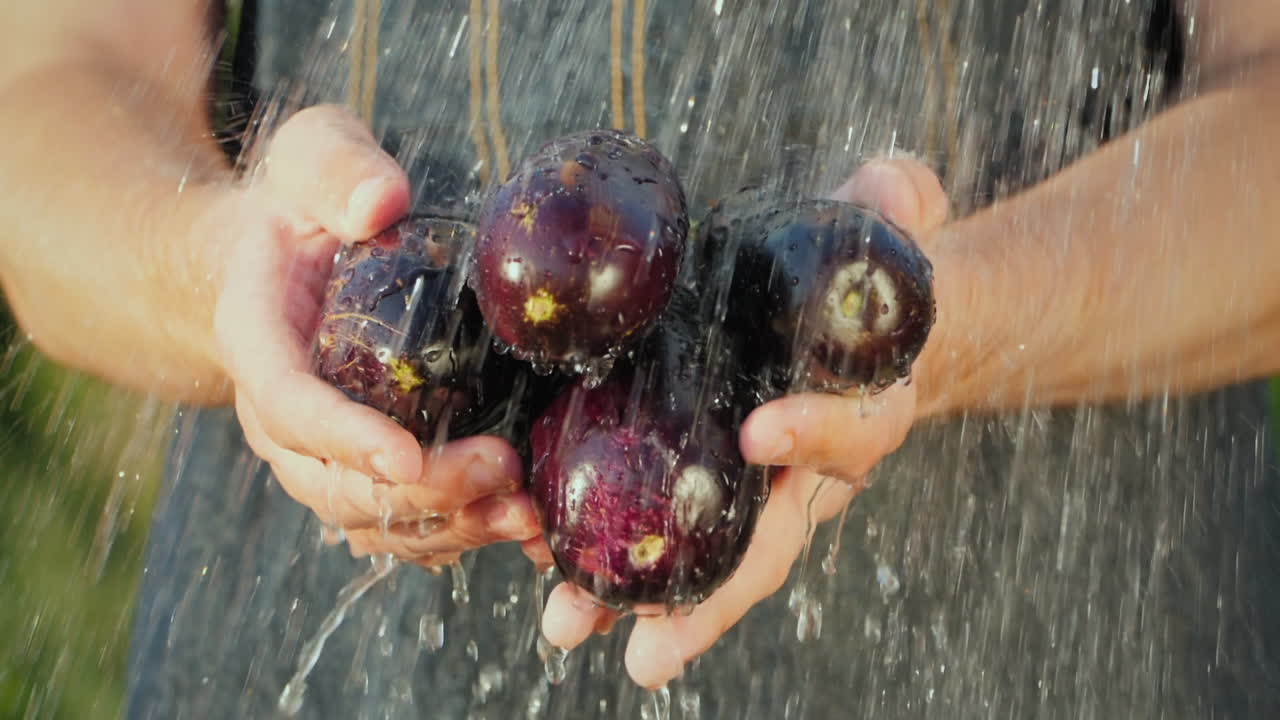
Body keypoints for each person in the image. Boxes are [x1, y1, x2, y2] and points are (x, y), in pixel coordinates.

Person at [2, 0, 1279, 717]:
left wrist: (952, 324)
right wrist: (224, 267)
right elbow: (51, 83)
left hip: (1039, 652)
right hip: (334, 652)